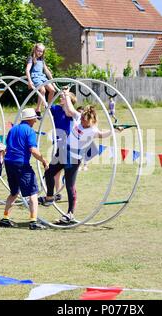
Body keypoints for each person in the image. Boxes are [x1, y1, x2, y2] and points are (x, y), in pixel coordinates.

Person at [41, 92, 123, 225]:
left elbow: (103, 134)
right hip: (63, 152)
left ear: (92, 121)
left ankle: (70, 214)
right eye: (83, 120)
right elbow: (71, 108)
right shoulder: (79, 117)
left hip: (74, 158)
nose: (83, 123)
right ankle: (50, 197)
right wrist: (67, 95)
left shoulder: (93, 130)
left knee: (69, 186)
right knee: (48, 172)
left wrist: (114, 130)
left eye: (86, 122)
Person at [0, 108, 49, 230]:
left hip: (9, 163)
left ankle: (5, 218)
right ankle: (33, 221)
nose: (36, 122)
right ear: (30, 119)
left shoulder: (13, 129)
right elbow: (33, 150)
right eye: (35, 119)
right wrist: (44, 160)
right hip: (21, 164)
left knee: (14, 192)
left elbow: (7, 146)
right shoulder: (29, 131)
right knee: (33, 193)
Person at [25, 43, 56, 117]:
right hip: (35, 77)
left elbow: (47, 71)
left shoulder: (42, 59)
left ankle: (48, 106)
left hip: (42, 77)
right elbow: (27, 70)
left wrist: (53, 81)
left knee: (52, 90)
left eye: (41, 51)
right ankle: (38, 109)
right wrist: (30, 81)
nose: (40, 53)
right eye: (38, 51)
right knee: (42, 90)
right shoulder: (31, 58)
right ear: (35, 50)